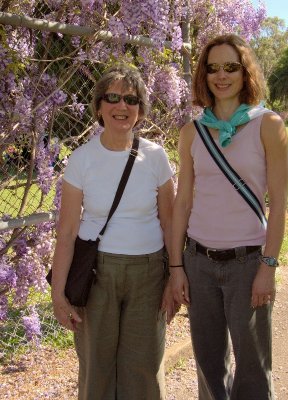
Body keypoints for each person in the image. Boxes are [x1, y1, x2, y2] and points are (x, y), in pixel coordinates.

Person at [169, 34, 288, 400]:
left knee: (252, 368)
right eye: (213, 68)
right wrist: (176, 268)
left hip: (248, 263)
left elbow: (280, 204)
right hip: (199, 261)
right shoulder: (192, 132)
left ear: (245, 72)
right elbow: (183, 202)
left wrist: (267, 266)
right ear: (203, 75)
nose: (222, 76)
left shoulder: (268, 124)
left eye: (231, 67)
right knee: (208, 365)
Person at [50, 65, 175, 400]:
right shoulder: (82, 159)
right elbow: (67, 231)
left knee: (144, 369)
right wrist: (58, 295)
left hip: (149, 273)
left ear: (140, 110)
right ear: (99, 107)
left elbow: (170, 222)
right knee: (96, 368)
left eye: (131, 100)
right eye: (113, 98)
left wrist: (175, 277)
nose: (122, 106)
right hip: (98, 273)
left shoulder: (156, 157)